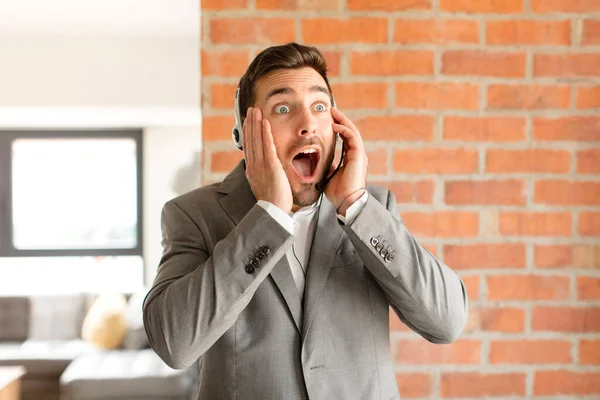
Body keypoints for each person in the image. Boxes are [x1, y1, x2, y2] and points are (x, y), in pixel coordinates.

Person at [143, 42, 468, 400]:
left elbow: (447, 323)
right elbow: (173, 343)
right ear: (246, 132)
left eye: (319, 106)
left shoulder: (372, 209)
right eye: (283, 108)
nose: (307, 125)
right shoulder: (193, 214)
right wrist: (269, 216)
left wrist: (355, 205)